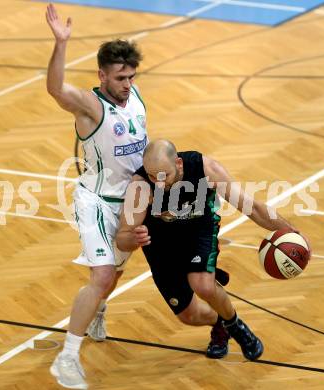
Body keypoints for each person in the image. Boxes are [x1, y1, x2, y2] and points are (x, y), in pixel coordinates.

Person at [116, 139, 300, 361]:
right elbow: (122, 239)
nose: (158, 182)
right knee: (188, 316)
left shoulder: (206, 169)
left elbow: (253, 208)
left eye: (164, 175)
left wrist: (291, 232)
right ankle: (219, 322)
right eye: (152, 176)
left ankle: (235, 326)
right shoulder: (140, 186)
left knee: (202, 284)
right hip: (161, 246)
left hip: (198, 231)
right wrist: (134, 238)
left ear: (179, 164)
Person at [46, 3, 147, 389]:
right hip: (95, 201)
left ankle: (98, 309)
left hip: (131, 204)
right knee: (102, 274)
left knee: (113, 274)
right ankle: (67, 358)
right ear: (102, 75)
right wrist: (61, 43)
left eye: (131, 76)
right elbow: (56, 88)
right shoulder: (90, 107)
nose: (127, 83)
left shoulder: (135, 98)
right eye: (120, 77)